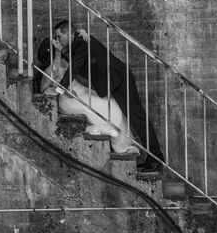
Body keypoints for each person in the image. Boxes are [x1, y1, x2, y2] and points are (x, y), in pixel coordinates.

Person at [52, 20, 164, 174]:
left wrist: (59, 88)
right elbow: (76, 61)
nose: (58, 40)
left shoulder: (80, 43)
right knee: (136, 118)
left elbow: (75, 67)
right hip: (115, 81)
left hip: (120, 79)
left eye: (59, 36)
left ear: (67, 33)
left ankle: (156, 160)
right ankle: (152, 160)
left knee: (137, 118)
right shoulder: (78, 42)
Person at [36, 38, 139, 156]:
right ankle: (116, 140)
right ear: (52, 49)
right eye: (56, 41)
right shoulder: (52, 69)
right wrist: (63, 91)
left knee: (111, 102)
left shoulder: (65, 60)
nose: (59, 42)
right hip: (69, 99)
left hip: (81, 91)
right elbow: (44, 90)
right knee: (95, 107)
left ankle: (122, 139)